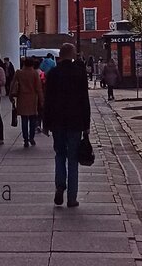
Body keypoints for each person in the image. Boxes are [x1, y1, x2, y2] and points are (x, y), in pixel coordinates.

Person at [43, 43, 91, 209]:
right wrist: (87, 124)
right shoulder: (79, 73)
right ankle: (72, 198)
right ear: (72, 55)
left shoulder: (53, 73)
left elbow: (47, 100)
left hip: (57, 122)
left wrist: (46, 123)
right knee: (73, 159)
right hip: (76, 122)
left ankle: (60, 184)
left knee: (59, 154)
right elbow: (84, 100)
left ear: (60, 55)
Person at [11, 57, 44, 148]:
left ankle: (25, 139)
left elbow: (13, 84)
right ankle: (31, 137)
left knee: (24, 119)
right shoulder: (34, 73)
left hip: (22, 98)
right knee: (33, 119)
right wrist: (42, 100)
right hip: (33, 98)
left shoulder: (19, 73)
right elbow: (38, 88)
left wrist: (11, 96)